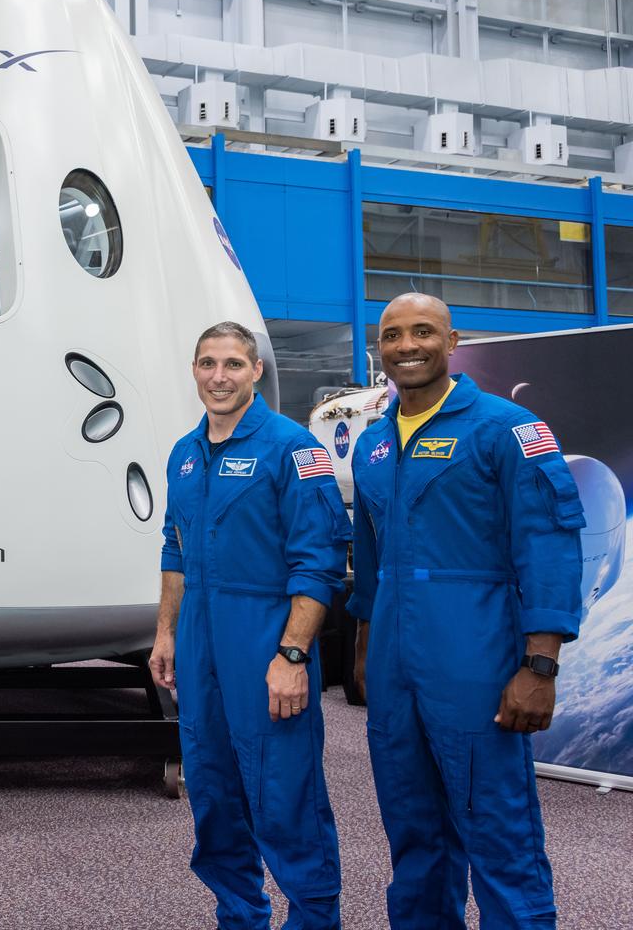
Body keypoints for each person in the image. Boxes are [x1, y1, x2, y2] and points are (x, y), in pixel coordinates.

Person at [348, 293, 584, 930]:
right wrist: (367, 645)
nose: (407, 346)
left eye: (423, 331)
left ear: (452, 343)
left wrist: (541, 664)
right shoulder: (370, 445)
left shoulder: (506, 429)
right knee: (413, 829)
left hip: (475, 653)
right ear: (381, 350)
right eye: (393, 335)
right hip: (395, 661)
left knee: (497, 827)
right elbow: (371, 561)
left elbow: (549, 543)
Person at [151, 321, 350, 930]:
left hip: (265, 641)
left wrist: (292, 657)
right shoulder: (184, 454)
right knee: (212, 794)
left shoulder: (293, 449)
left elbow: (320, 563)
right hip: (199, 645)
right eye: (207, 363)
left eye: (233, 364)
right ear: (193, 370)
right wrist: (165, 634)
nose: (218, 376)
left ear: (256, 370)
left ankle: (315, 920)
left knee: (284, 797)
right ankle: (239, 917)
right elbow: (175, 548)